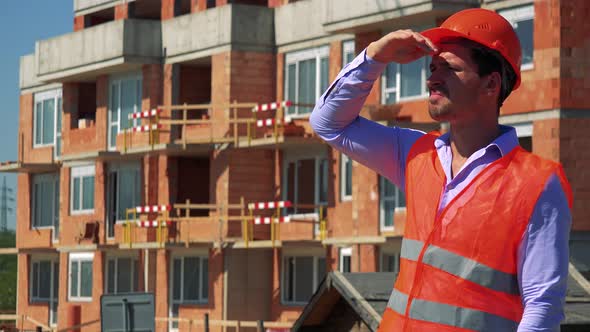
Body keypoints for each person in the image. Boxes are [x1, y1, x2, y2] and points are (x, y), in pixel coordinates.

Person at [310, 8, 573, 332]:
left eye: (448, 68)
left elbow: (542, 307)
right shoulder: (416, 154)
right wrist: (376, 55)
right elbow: (328, 123)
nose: (432, 77)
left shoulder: (537, 183)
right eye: (433, 66)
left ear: (491, 83)